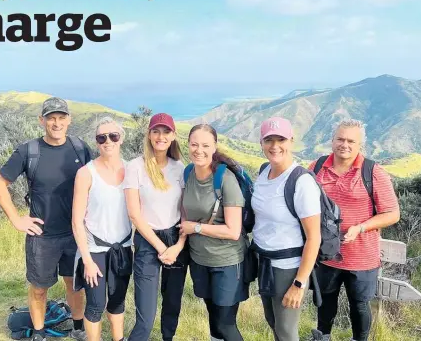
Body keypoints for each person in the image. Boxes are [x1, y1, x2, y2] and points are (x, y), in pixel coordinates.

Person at [0, 97, 92, 341]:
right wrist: (16, 219)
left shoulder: (80, 148)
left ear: (69, 120)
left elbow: (94, 184)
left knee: (74, 284)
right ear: (42, 121)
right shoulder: (29, 151)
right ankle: (38, 334)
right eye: (51, 118)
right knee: (39, 289)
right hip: (42, 236)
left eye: (61, 118)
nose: (56, 123)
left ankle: (78, 327)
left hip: (75, 233)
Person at [308, 119, 400, 341]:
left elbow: (392, 213)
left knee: (359, 305)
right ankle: (323, 337)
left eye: (351, 140)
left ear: (360, 144)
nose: (344, 144)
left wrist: (361, 227)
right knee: (325, 301)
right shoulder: (316, 168)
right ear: (332, 141)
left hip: (362, 256)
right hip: (326, 254)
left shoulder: (373, 172)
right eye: (340, 139)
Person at [250, 116, 322, 341]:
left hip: (288, 269)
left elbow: (314, 237)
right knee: (273, 323)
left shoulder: (301, 182)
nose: (274, 146)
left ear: (291, 140)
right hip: (266, 264)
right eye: (268, 140)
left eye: (280, 139)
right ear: (261, 143)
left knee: (286, 331)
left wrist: (299, 283)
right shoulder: (264, 172)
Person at [124, 113, 189, 341]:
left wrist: (179, 244)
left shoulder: (180, 167)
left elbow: (185, 210)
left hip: (176, 238)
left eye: (166, 131)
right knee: (146, 314)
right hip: (148, 240)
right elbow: (134, 213)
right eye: (156, 131)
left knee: (172, 304)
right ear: (149, 135)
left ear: (173, 136)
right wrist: (162, 248)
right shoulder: (135, 167)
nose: (161, 136)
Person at [179, 123, 248, 341]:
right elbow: (185, 210)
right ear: (188, 144)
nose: (199, 150)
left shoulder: (224, 179)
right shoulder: (188, 172)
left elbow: (233, 231)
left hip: (227, 262)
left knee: (225, 324)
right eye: (194, 144)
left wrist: (196, 228)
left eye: (206, 145)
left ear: (215, 146)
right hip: (200, 260)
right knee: (213, 321)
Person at [71, 117, 133, 341]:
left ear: (121, 139)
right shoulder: (86, 174)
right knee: (96, 304)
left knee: (117, 302)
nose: (108, 141)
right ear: (96, 142)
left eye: (113, 136)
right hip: (94, 249)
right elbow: (77, 221)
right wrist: (86, 259)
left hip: (123, 247)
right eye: (101, 137)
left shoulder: (132, 170)